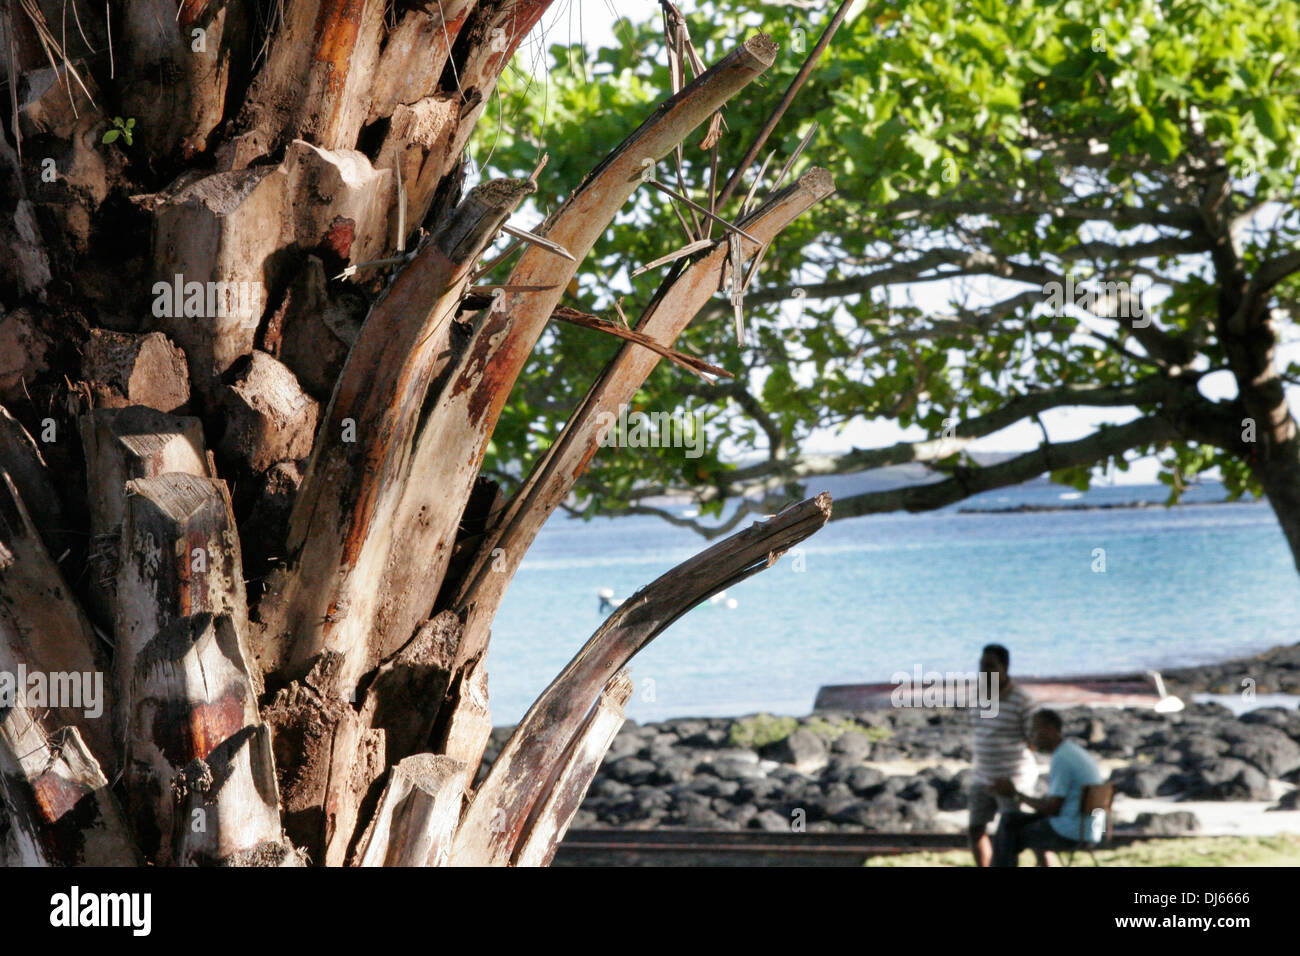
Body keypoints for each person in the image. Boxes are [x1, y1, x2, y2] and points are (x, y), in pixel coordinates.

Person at [991, 708, 1104, 867]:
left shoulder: (1062, 758)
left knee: (1010, 834)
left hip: (1070, 832)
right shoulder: (1072, 751)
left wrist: (1015, 795)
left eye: (1034, 732)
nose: (1031, 738)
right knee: (1011, 820)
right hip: (1088, 828)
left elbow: (1052, 809)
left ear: (1048, 730)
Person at [967, 644, 1038, 867]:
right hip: (982, 776)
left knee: (1018, 835)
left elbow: (1034, 741)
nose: (985, 671)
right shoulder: (977, 695)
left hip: (1013, 780)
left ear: (1005, 667)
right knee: (976, 828)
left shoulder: (1022, 700)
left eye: (991, 666)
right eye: (982, 666)